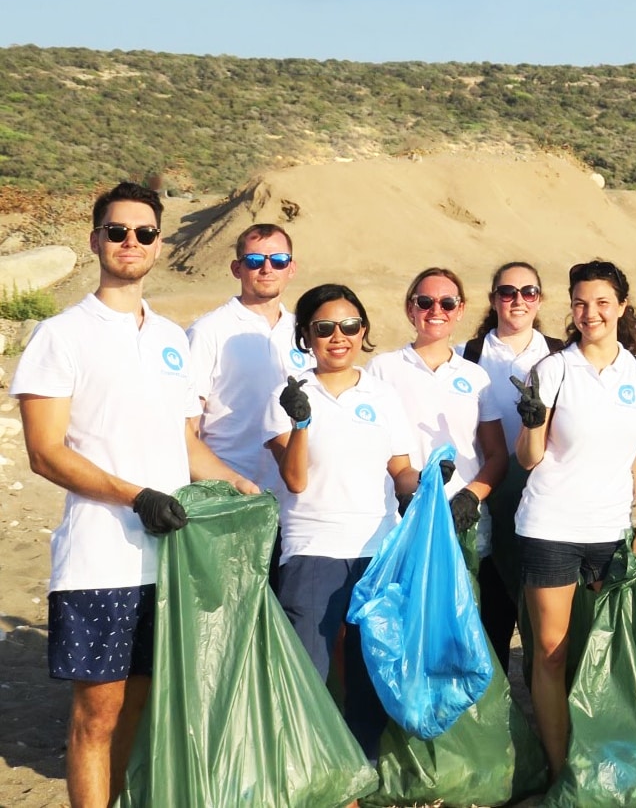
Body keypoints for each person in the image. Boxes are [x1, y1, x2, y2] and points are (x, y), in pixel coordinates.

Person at [13, 182, 260, 808]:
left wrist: (236, 484)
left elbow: (185, 446)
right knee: (97, 714)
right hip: (101, 558)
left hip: (172, 560)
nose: (131, 242)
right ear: (95, 240)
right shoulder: (61, 334)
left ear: (159, 245)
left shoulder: (172, 339)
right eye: (117, 231)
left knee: (140, 710)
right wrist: (136, 496)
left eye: (144, 233)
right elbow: (45, 452)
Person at [509, 259, 636, 775]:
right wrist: (532, 422)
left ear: (621, 306)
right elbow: (529, 458)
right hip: (550, 527)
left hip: (611, 533)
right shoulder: (552, 369)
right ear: (571, 309)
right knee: (552, 654)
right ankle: (562, 771)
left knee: (606, 654)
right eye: (580, 303)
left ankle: (603, 758)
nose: (590, 312)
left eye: (602, 302)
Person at [265, 283, 424, 760]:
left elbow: (400, 469)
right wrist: (300, 424)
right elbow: (294, 480)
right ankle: (304, 770)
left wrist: (429, 484)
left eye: (350, 326)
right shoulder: (287, 394)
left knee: (367, 670)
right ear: (306, 336)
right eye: (325, 328)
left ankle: (362, 765)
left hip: (376, 549)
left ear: (364, 331)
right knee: (307, 667)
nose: (339, 337)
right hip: (312, 548)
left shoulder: (382, 393)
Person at [367, 269, 509, 660]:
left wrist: (471, 497)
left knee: (461, 624)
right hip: (404, 519)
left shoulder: (475, 376)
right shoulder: (382, 369)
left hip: (463, 520)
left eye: (447, 303)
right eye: (425, 302)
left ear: (460, 310)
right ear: (410, 308)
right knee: (408, 626)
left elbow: (496, 455)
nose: (436, 310)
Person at [456, 261, 565, 673]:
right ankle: (500, 716)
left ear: (540, 299)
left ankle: (545, 721)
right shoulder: (468, 356)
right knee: (492, 615)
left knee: (543, 618)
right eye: (507, 292)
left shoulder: (559, 354)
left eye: (528, 292)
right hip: (485, 498)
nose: (518, 300)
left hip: (543, 501)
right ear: (493, 299)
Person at [186, 223, 309, 492]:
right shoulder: (208, 331)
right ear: (236, 268)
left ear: (292, 268)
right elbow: (188, 425)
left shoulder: (306, 332)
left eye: (278, 261)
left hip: (297, 499)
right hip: (232, 494)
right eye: (254, 261)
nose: (267, 269)